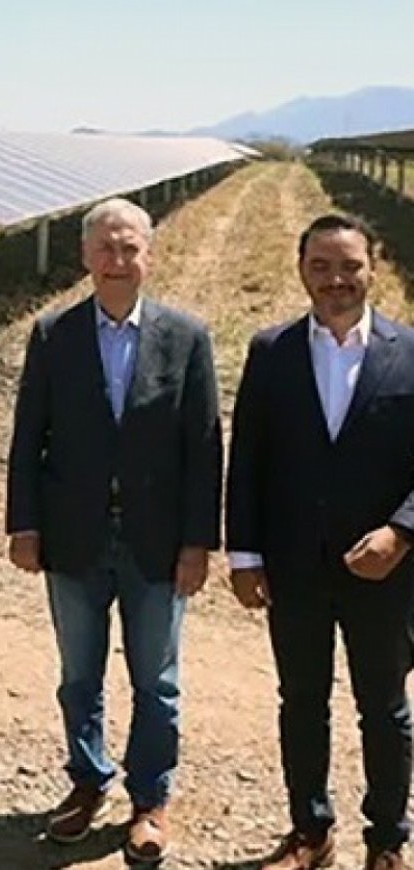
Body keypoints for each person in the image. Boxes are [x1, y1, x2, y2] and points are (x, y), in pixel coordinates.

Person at [5, 198, 222, 863]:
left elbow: (203, 448)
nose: (117, 260)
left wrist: (197, 543)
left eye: (129, 248)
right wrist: (24, 525)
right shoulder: (53, 334)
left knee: (156, 679)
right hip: (74, 537)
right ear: (85, 256)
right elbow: (28, 438)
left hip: (157, 540)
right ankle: (87, 779)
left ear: (148, 255)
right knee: (79, 674)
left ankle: (149, 799)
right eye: (105, 247)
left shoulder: (185, 337)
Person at [227, 214, 414, 870]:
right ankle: (310, 832)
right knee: (301, 703)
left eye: (349, 266)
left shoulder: (408, 351)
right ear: (301, 270)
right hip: (294, 565)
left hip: (385, 571)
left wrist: (401, 531)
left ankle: (387, 839)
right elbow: (247, 458)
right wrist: (244, 555)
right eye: (321, 267)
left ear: (373, 268)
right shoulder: (270, 350)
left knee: (383, 708)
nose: (336, 279)